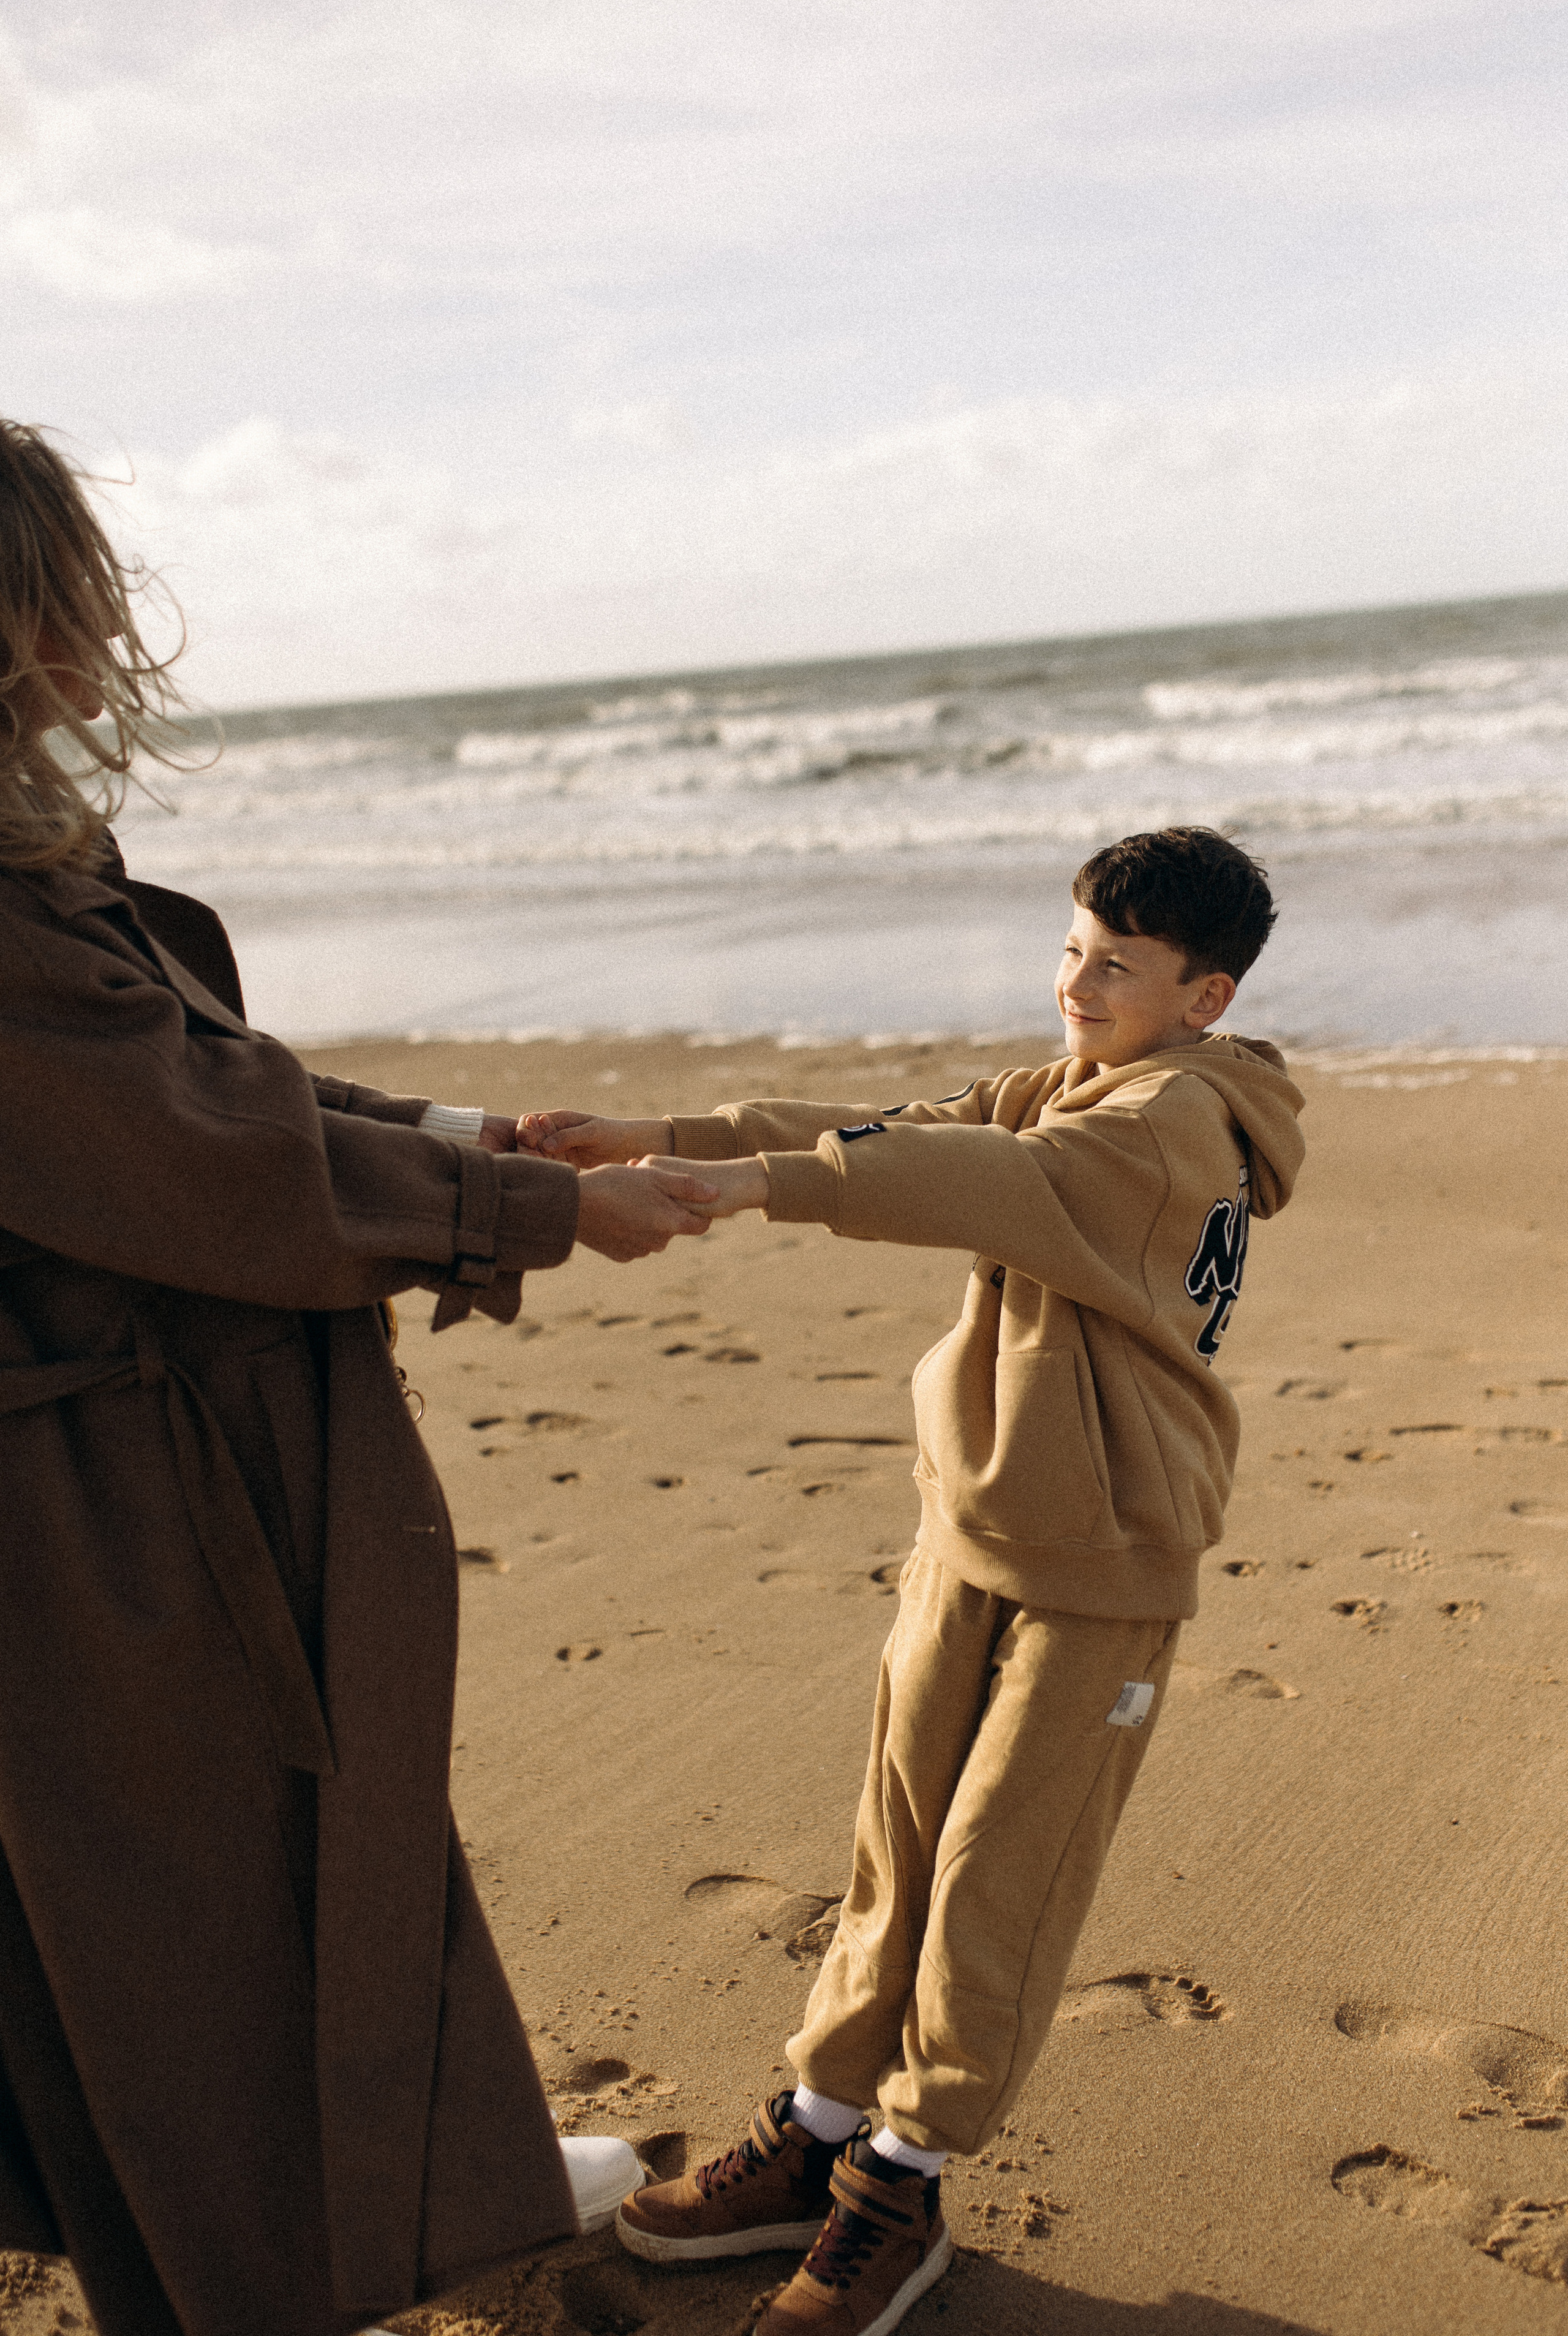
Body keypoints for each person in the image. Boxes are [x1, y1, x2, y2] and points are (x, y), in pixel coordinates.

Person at [0, 420, 722, 2336]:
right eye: (74, 588)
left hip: (131, 1461)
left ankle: (435, 2172)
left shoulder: (21, 852)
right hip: (100, 1507)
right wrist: (538, 1214)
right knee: (204, 1894)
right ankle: (298, 2254)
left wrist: (490, 1139)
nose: (102, 628)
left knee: (265, 1849)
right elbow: (205, 1158)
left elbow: (209, 1083)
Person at [520, 826, 1306, 2336]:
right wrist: (649, 1129)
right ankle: (817, 2131)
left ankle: (904, 2178)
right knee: (895, 1842)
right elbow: (911, 1114)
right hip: (973, 1526)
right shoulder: (1072, 1082)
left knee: (998, 1870)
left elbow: (968, 1174)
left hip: (1104, 1558)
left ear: (1202, 998)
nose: (1075, 984)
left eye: (1116, 970)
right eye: (1070, 950)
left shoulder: (1173, 1122)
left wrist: (748, 1181)